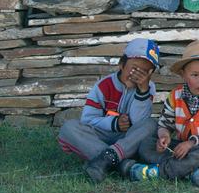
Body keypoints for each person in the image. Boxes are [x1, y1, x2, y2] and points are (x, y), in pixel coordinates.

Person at [123, 40, 199, 187]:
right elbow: (165, 123)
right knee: (146, 144)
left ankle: (157, 172)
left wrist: (192, 143)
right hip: (182, 149)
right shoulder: (175, 96)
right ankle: (190, 171)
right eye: (195, 75)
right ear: (183, 74)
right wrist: (164, 136)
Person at [57, 38, 159, 183]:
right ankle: (122, 164)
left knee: (151, 125)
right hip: (102, 136)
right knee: (69, 128)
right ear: (121, 64)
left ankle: (104, 160)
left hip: (128, 140)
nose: (138, 75)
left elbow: (139, 122)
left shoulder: (148, 88)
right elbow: (88, 120)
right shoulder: (103, 86)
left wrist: (143, 91)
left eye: (145, 72)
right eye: (135, 68)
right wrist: (114, 123)